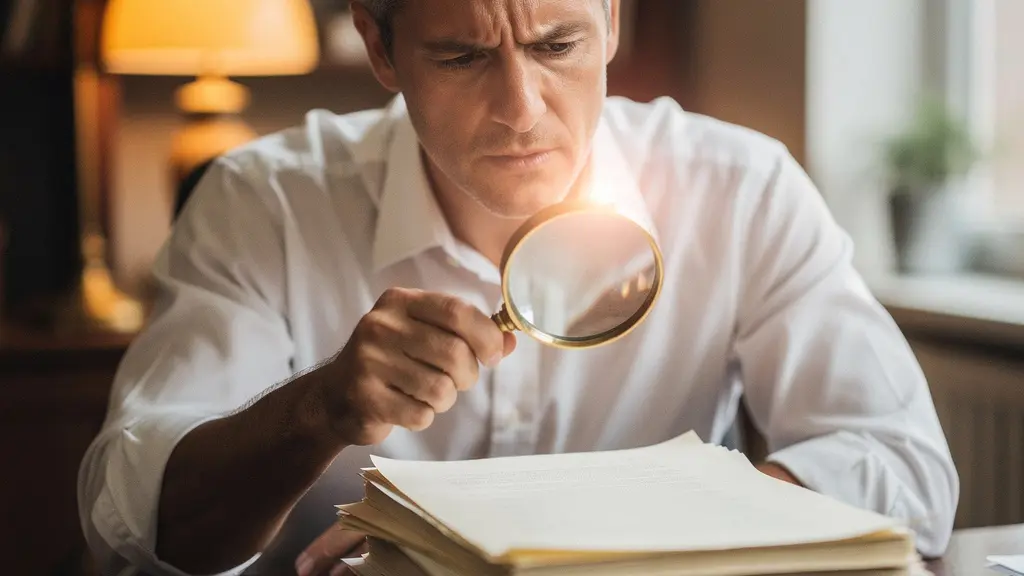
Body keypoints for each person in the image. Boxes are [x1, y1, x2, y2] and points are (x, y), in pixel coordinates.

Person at [77, 0, 959, 575]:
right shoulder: (261, 201)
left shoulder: (743, 189)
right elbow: (135, 528)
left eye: (557, 45)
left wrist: (622, 530)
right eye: (462, 57)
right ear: (380, 47)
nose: (523, 109)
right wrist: (315, 414)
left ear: (613, 21)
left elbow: (906, 470)